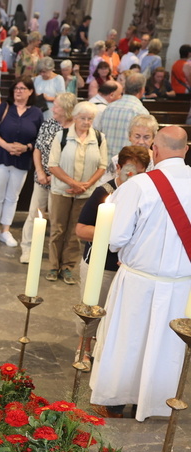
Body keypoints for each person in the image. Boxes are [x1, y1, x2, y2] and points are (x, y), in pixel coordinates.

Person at [89, 126, 191, 421]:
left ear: (154, 150)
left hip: (138, 281)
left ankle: (116, 400)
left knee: (127, 342)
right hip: (181, 289)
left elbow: (116, 237)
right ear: (186, 150)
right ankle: (158, 402)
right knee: (165, 347)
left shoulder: (138, 186)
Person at [74, 145, 151, 366]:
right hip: (101, 265)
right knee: (92, 307)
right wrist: (114, 234)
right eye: (128, 170)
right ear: (117, 168)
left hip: (128, 268)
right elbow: (81, 230)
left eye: (138, 171)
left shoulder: (144, 196)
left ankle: (104, 353)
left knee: (116, 317)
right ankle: (83, 348)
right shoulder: (103, 192)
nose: (132, 176)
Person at [45, 101, 108, 284]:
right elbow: (53, 165)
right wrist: (73, 183)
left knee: (75, 231)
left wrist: (86, 185)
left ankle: (68, 267)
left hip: (85, 192)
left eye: (90, 119)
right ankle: (53, 265)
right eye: (83, 118)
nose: (86, 122)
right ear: (74, 117)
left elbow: (102, 166)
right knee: (58, 229)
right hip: (61, 190)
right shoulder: (61, 136)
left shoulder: (99, 138)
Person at [0, 77, 44, 248]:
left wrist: (26, 147)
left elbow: (39, 139)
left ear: (30, 91)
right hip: (0, 158)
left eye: (23, 88)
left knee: (12, 197)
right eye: (16, 88)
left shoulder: (36, 113)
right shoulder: (4, 107)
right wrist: (6, 146)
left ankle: (5, 230)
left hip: (22, 160)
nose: (19, 91)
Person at [19, 92, 77, 264]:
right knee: (34, 214)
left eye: (57, 106)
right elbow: (38, 149)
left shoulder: (76, 130)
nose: (53, 108)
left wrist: (56, 177)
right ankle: (27, 249)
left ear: (66, 109)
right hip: (41, 179)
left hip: (61, 182)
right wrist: (40, 172)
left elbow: (75, 159)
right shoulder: (49, 123)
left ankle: (54, 255)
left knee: (57, 220)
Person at [96, 71, 149, 158]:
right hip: (127, 162)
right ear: (142, 90)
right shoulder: (141, 112)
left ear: (125, 88)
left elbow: (99, 135)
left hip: (104, 161)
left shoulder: (109, 107)